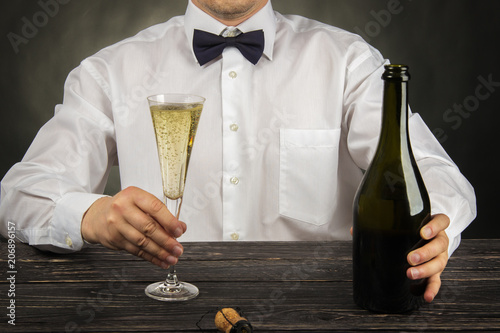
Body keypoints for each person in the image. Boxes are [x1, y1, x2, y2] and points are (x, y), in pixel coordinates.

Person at [0, 0, 476, 304]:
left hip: (317, 309)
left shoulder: (349, 61)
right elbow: (17, 195)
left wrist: (438, 231)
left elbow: (432, 171)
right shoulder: (109, 71)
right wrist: (92, 215)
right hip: (159, 312)